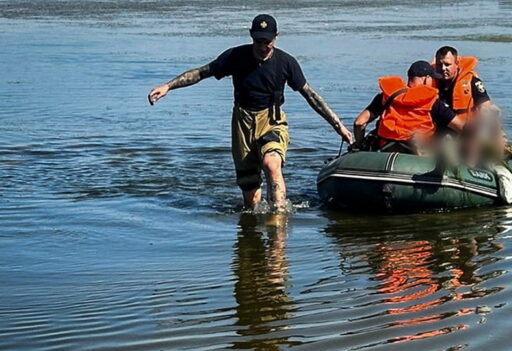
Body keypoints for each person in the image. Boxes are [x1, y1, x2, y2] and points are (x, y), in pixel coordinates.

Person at [148, 14, 353, 211]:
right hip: (242, 123)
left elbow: (310, 95)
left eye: (268, 41)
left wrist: (339, 127)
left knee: (271, 164)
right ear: (251, 36)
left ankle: (278, 224)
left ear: (276, 37)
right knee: (251, 199)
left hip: (271, 120)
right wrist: (168, 86)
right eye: (258, 41)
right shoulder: (235, 56)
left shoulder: (286, 63)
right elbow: (201, 73)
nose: (263, 47)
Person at [353, 61, 465, 154]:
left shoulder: (387, 96)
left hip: (385, 148)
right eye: (433, 79)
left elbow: (359, 122)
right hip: (417, 151)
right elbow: (461, 127)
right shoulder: (432, 101)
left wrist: (359, 145)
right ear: (427, 79)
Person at [433, 46, 493, 119]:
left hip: (465, 125)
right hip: (439, 126)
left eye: (447, 65)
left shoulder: (472, 81)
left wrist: (485, 118)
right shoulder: (430, 80)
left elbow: (484, 104)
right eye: (439, 65)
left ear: (456, 64)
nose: (443, 68)